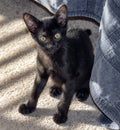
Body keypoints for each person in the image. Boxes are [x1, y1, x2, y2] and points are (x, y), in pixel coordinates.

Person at [33, 0, 120, 129]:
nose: (51, 44)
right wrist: (31, 103)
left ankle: (84, 89)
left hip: (79, 76)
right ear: (33, 30)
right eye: (44, 38)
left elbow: (70, 81)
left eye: (56, 36)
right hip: (60, 74)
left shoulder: (65, 55)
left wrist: (62, 110)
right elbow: (41, 77)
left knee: (79, 77)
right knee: (49, 75)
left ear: (63, 22)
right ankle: (55, 88)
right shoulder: (41, 55)